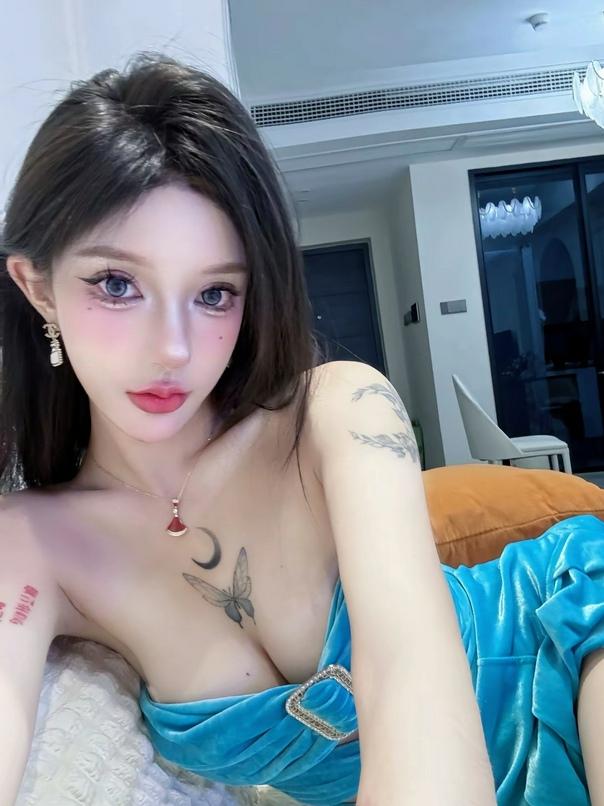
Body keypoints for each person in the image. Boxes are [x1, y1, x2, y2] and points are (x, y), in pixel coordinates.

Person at [0, 51, 602, 806]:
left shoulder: (338, 412)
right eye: (117, 284)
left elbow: (405, 671)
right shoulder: (30, 541)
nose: (173, 349)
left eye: (215, 294)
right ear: (38, 288)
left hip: (568, 637)